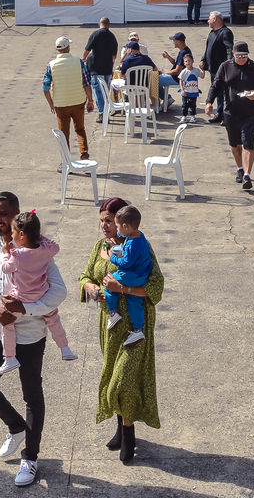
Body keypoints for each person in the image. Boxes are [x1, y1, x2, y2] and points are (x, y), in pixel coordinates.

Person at [0, 192, 66, 487]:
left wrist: (25, 309)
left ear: (18, 215)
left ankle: (31, 457)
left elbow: (58, 292)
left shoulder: (37, 249)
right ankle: (16, 426)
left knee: (32, 395)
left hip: (30, 336)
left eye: (4, 215)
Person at [79, 197, 163, 464]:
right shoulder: (100, 247)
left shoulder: (139, 246)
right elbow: (86, 276)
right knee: (113, 375)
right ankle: (120, 427)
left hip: (135, 327)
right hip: (109, 325)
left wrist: (122, 289)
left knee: (123, 380)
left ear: (123, 223)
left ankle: (128, 434)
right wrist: (92, 289)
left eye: (108, 221)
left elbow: (156, 286)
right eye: (101, 221)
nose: (104, 226)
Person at [0, 211, 76, 374]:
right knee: (54, 321)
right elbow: (55, 246)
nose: (11, 235)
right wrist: (39, 238)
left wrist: (6, 252)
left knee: (7, 323)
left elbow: (6, 268)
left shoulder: (17, 255)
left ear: (22, 234)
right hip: (41, 294)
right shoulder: (46, 251)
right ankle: (65, 348)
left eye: (13, 232)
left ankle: (10, 358)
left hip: (21, 298)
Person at [204, 41, 254, 191]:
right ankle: (240, 168)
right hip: (230, 112)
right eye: (239, 56)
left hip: (250, 113)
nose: (242, 59)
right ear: (233, 54)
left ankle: (247, 175)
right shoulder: (225, 66)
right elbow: (216, 85)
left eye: (245, 56)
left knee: (248, 143)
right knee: (234, 144)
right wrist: (209, 102)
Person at [103, 205, 152, 348]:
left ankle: (113, 313)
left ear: (125, 226)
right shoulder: (139, 236)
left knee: (109, 284)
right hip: (142, 275)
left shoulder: (132, 245)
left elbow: (125, 263)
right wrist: (121, 239)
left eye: (118, 227)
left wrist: (112, 257)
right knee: (134, 301)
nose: (117, 230)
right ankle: (137, 329)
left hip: (131, 274)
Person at [43, 36, 95, 162]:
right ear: (68, 48)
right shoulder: (79, 62)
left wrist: (51, 104)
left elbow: (45, 87)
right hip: (78, 102)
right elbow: (86, 83)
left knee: (63, 133)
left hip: (61, 105)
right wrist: (91, 101)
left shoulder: (51, 65)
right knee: (80, 129)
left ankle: (66, 161)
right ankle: (84, 156)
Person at [82, 17, 118, 121]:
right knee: (106, 92)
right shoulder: (112, 36)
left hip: (96, 69)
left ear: (99, 24)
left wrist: (84, 59)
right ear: (109, 25)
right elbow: (114, 56)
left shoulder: (96, 34)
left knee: (98, 92)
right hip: (107, 69)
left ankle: (102, 114)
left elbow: (87, 49)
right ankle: (106, 111)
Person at [203, 11, 234, 121]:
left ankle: (225, 116)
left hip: (222, 69)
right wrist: (203, 61)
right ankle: (220, 114)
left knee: (224, 94)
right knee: (216, 92)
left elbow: (229, 49)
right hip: (213, 69)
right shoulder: (212, 33)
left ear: (215, 20)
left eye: (209, 19)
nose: (208, 21)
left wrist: (229, 64)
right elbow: (208, 49)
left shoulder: (225, 33)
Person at [158, 32, 193, 112]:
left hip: (177, 78)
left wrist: (163, 72)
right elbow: (177, 63)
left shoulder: (183, 53)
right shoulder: (184, 51)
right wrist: (168, 57)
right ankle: (166, 98)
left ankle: (158, 104)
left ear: (178, 41)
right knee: (157, 79)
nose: (173, 42)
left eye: (173, 40)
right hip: (179, 76)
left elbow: (177, 71)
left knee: (154, 80)